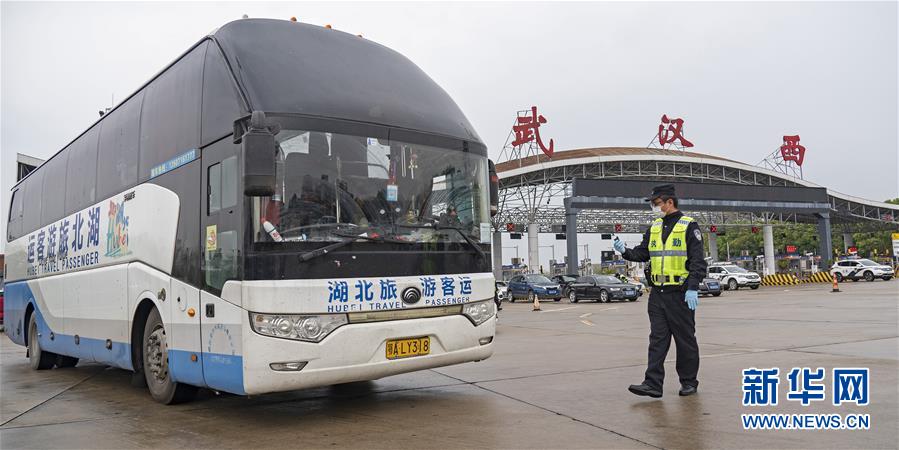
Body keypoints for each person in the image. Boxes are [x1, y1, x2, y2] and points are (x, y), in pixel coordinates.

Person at [613, 184, 707, 398]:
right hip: (657, 294)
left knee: (685, 340)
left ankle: (688, 382)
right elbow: (642, 253)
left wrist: (692, 288)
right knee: (657, 340)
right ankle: (653, 383)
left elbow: (698, 262)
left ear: (669, 202)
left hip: (680, 293)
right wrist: (624, 251)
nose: (654, 208)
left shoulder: (689, 226)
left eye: (656, 203)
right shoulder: (654, 227)